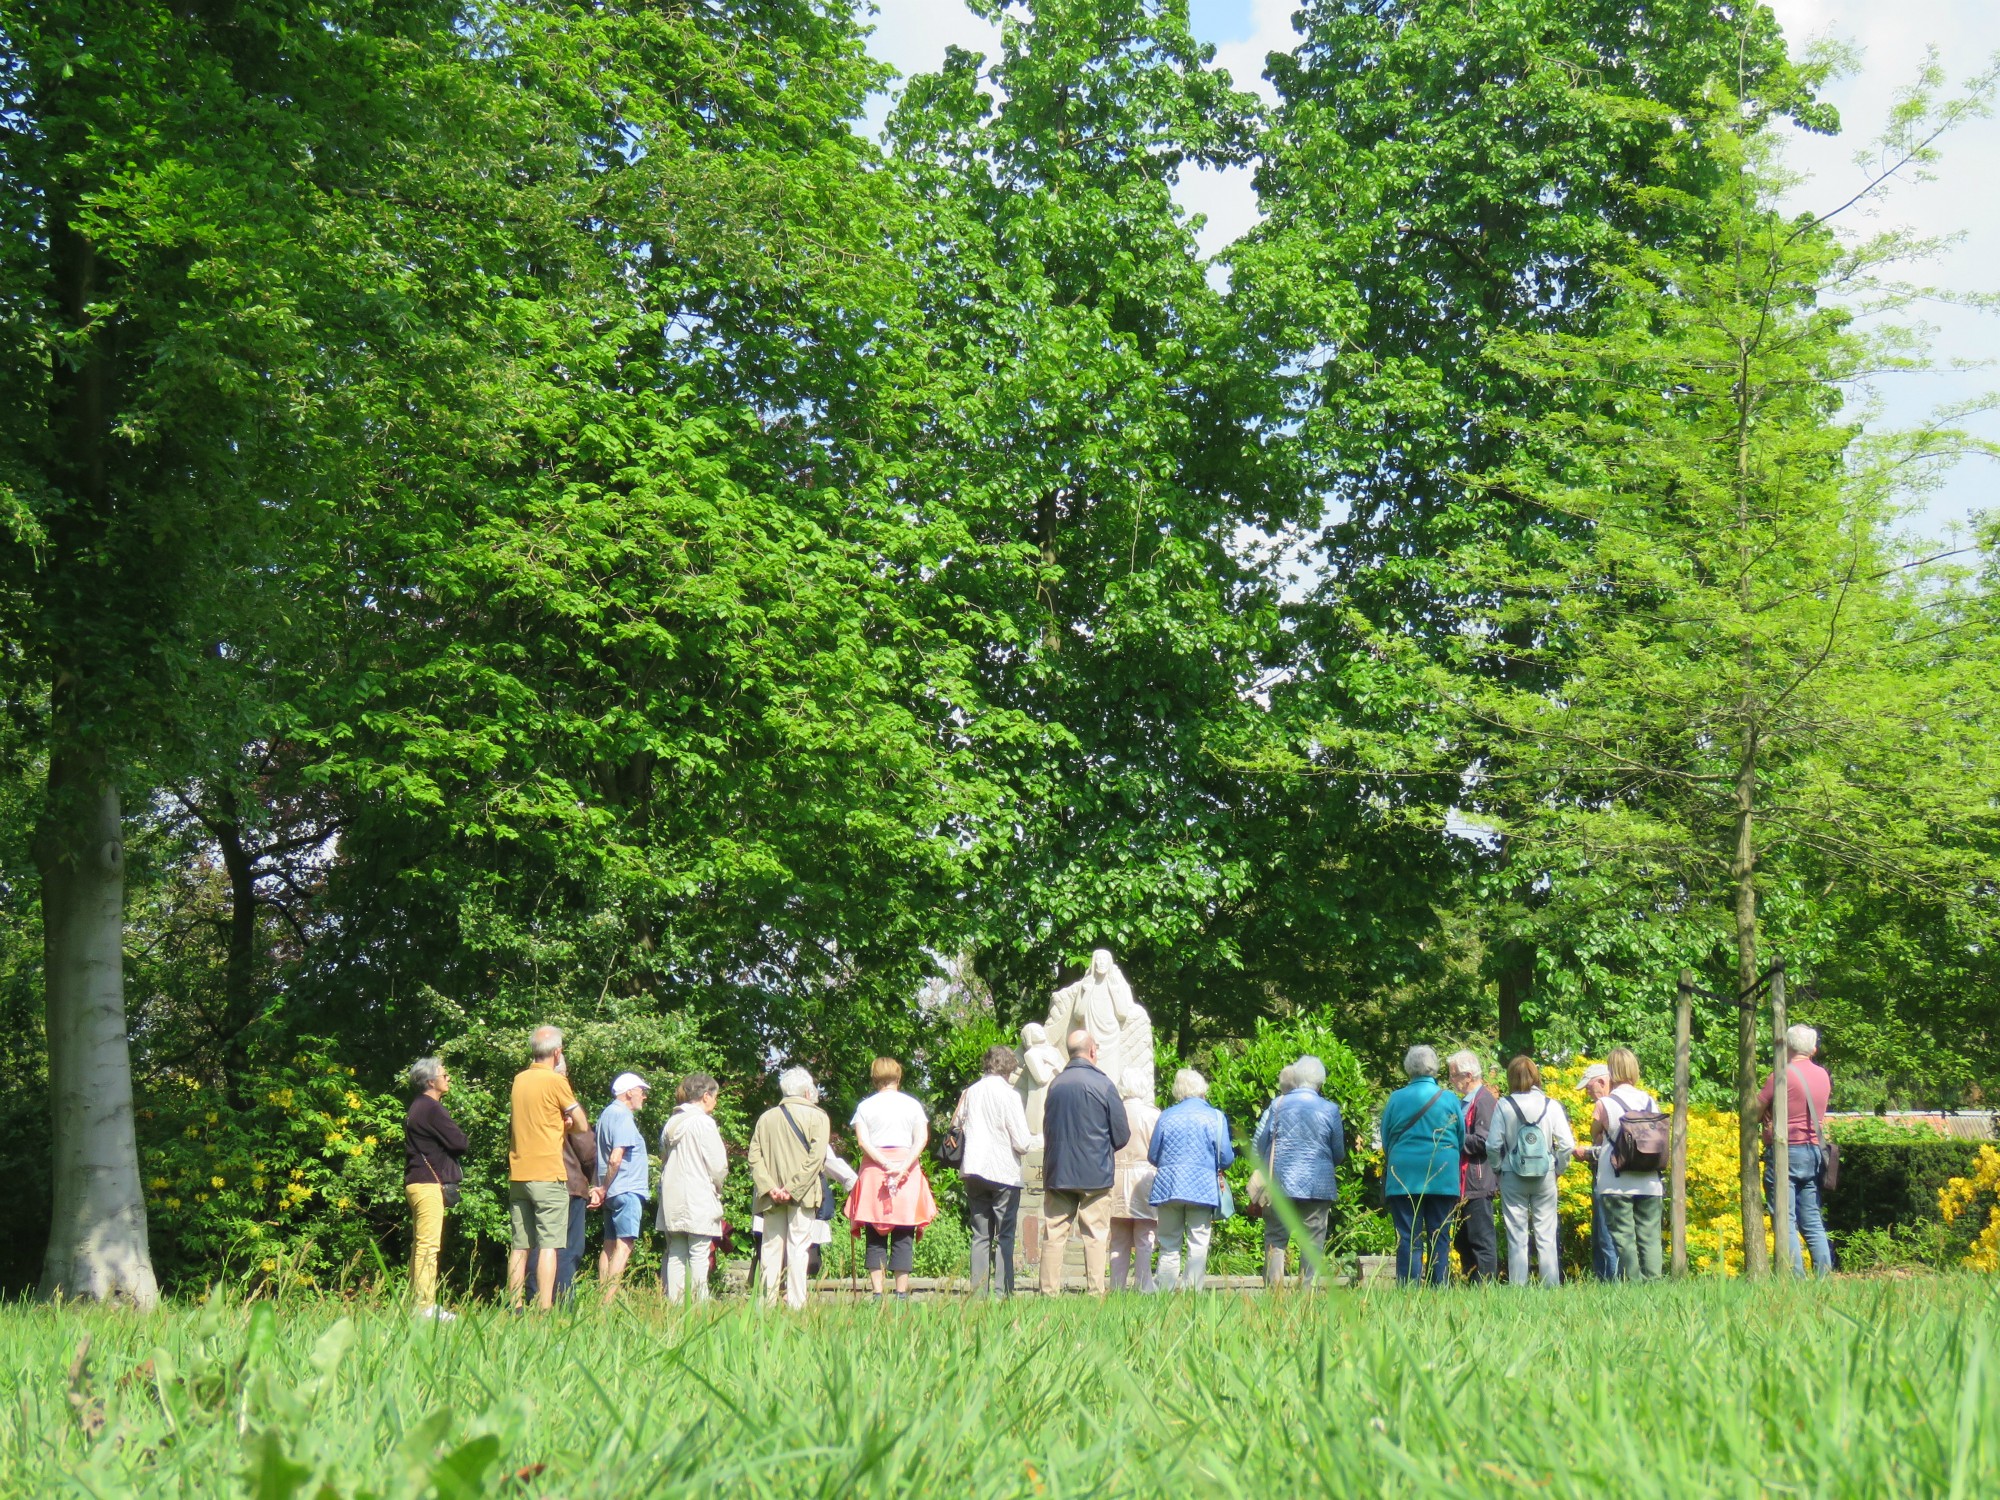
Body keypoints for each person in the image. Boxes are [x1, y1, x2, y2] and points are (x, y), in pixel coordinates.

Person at [509, 1026, 595, 1310]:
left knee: (520, 1245)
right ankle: (544, 1309)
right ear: (557, 1052)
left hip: (519, 1173)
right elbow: (581, 1125)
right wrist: (568, 1123)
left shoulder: (519, 1080)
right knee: (549, 1245)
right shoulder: (556, 1081)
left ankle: (516, 1306)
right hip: (548, 1174)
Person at [1039, 1029, 1129, 1296]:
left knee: (1054, 1234)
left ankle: (1048, 1294)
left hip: (1059, 1171)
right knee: (1096, 1235)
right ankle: (1095, 1292)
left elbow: (1048, 1127)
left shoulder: (1055, 1085)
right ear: (1092, 1051)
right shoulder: (1104, 1084)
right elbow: (1121, 1134)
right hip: (1095, 1173)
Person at [1253, 1055, 1348, 1288]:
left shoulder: (1278, 1105)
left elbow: (1262, 1144)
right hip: (1318, 1185)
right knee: (1313, 1243)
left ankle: (1274, 1296)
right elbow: (1339, 1152)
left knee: (1275, 1238)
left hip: (1279, 1183)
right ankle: (1307, 1295)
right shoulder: (1330, 1109)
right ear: (1320, 1081)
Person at [847, 1056, 937, 1301]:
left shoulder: (865, 1107)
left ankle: (877, 1294)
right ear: (898, 1077)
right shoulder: (912, 1105)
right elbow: (921, 1139)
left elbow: (863, 1141)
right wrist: (903, 1166)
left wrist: (885, 1164)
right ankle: (901, 1294)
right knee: (904, 1233)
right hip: (907, 1172)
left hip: (875, 1171)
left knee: (874, 1234)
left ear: (874, 1078)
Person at [955, 1044, 1039, 1297]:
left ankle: (978, 1294)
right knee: (1004, 1235)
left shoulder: (970, 1092)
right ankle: (1003, 1293)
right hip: (1003, 1172)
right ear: (1009, 1068)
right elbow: (1022, 1142)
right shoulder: (1010, 1095)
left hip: (973, 1169)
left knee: (980, 1235)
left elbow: (956, 1126)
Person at [1486, 1055, 1575, 1287]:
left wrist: (1497, 1168)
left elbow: (1493, 1144)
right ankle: (1550, 1286)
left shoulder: (1504, 1105)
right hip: (1545, 1175)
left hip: (1512, 1174)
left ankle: (1518, 1287)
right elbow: (1567, 1144)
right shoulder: (1551, 1104)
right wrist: (1558, 1168)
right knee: (1546, 1233)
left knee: (1517, 1234)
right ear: (1536, 1076)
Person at [1380, 1045, 1464, 1287]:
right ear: (1434, 1068)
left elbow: (1386, 1139)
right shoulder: (1448, 1098)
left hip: (1404, 1175)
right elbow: (1460, 1138)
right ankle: (1439, 1287)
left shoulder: (1396, 1099)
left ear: (1408, 1068)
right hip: (1442, 1175)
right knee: (1440, 1236)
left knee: (1407, 1237)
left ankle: (1408, 1288)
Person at [749, 1067, 831, 1309]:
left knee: (771, 1248)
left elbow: (754, 1157)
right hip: (803, 1196)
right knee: (799, 1248)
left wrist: (771, 1188)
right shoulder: (818, 1117)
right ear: (808, 1091)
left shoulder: (766, 1117)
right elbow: (816, 1159)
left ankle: (767, 1303)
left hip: (770, 1197)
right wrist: (793, 1189)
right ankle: (797, 1303)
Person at [1758, 1023, 1835, 1278]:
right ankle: (1824, 1276)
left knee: (1784, 1218)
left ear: (1786, 1046)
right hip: (1813, 1152)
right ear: (1813, 1048)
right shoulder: (1823, 1075)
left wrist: (1766, 1117)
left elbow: (1754, 1110)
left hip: (1785, 1153)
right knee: (1811, 1217)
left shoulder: (1781, 1075)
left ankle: (1794, 1278)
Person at [1147, 1068, 1233, 1292]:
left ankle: (1164, 1292)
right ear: (1202, 1089)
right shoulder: (1215, 1117)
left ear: (1178, 1090)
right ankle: (1192, 1292)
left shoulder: (1166, 1115)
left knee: (1168, 1243)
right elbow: (1226, 1157)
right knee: (1198, 1242)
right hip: (1202, 1188)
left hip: (1169, 1186)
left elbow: (1153, 1155)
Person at [403, 1057, 467, 1320]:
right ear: (431, 1081)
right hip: (428, 1185)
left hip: (416, 1182)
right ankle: (424, 1306)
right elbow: (460, 1142)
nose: (448, 1078)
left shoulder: (416, 1107)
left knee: (421, 1244)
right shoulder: (431, 1108)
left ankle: (416, 1302)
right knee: (428, 1245)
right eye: (444, 1074)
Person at [1593, 1046, 1664, 1282]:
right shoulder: (1650, 1102)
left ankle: (1633, 1287)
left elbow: (1595, 1134)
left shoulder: (1605, 1103)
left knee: (1624, 1239)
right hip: (1650, 1181)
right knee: (1651, 1238)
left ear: (1611, 1072)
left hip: (1616, 1181)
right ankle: (1654, 1285)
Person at [657, 1072, 727, 1304]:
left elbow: (663, 1158)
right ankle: (699, 1306)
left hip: (672, 1196)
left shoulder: (671, 1123)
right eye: (715, 1096)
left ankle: (674, 1305)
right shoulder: (704, 1123)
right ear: (706, 1096)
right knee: (699, 1252)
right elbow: (718, 1166)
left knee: (676, 1251)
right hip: (698, 1194)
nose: (716, 1102)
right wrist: (718, 1187)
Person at [595, 1072, 651, 1303]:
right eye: (641, 1091)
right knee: (625, 1245)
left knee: (609, 1246)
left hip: (611, 1193)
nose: (644, 1096)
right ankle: (607, 1303)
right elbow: (616, 1157)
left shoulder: (606, 1114)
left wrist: (601, 1188)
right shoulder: (623, 1116)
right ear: (630, 1092)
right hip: (626, 1190)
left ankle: (600, 1297)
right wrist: (605, 1186)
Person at [1448, 1050, 1499, 1284]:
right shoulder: (1465, 1102)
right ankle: (1472, 1285)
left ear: (1468, 1075)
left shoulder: (1484, 1101)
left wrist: (1453, 1138)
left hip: (1477, 1182)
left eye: (1454, 1075)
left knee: (1481, 1239)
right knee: (1462, 1239)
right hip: (1462, 1183)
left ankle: (1486, 1288)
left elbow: (1484, 1141)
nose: (1451, 1081)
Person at [1108, 1070, 1161, 1292]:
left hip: (1115, 1177)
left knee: (1118, 1239)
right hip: (1145, 1178)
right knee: (1145, 1237)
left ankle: (1117, 1287)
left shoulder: (1112, 1111)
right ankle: (1144, 1286)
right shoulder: (1153, 1114)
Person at [1576, 1063, 1619, 1280]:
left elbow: (1605, 1149)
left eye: (1589, 1087)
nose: (1587, 1093)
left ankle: (1609, 1282)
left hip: (1607, 1178)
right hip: (1636, 1179)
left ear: (1602, 1082)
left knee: (1605, 1235)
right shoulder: (1637, 1100)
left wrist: (1585, 1152)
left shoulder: (1604, 1104)